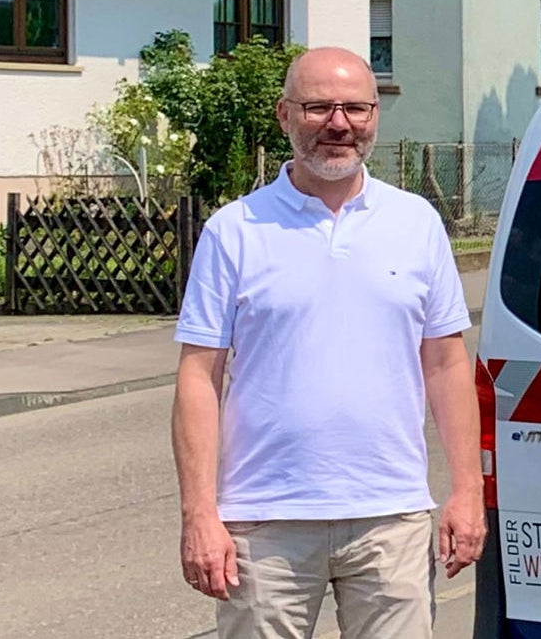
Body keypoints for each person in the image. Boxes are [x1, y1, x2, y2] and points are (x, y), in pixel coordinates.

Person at [170, 47, 484, 639]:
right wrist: (199, 515)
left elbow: (445, 367)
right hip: (264, 523)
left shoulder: (416, 224)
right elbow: (197, 377)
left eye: (355, 108)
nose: (338, 124)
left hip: (390, 517)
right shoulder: (235, 230)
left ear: (375, 115)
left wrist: (468, 493)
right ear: (284, 116)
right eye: (318, 107)